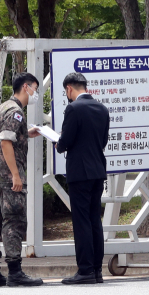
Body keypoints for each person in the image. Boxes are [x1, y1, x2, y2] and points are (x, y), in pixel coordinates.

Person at [0, 73, 44, 287]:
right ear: (25, 87)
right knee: (14, 221)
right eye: (35, 88)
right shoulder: (16, 111)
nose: (35, 93)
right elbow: (6, 142)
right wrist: (16, 175)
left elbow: (7, 135)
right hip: (9, 178)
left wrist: (27, 133)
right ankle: (15, 272)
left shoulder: (2, 108)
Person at [56, 72, 110, 285]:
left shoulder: (73, 109)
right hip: (98, 170)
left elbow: (65, 141)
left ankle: (85, 269)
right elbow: (103, 140)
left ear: (69, 88)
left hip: (79, 172)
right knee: (95, 219)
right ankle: (97, 270)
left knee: (81, 222)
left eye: (66, 92)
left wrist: (58, 144)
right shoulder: (102, 109)